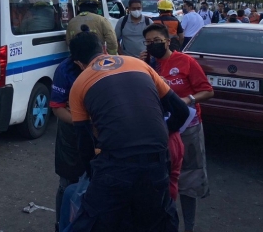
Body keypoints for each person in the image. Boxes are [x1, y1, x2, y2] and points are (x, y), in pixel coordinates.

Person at [65, 30, 190, 231]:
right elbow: (181, 111)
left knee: (91, 222)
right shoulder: (139, 65)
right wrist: (158, 135)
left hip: (116, 165)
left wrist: (93, 175)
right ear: (104, 49)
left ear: (78, 63)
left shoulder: (80, 84)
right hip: (156, 161)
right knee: (157, 221)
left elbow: (84, 141)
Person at [142, 23, 214, 232]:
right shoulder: (149, 65)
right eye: (148, 42)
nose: (152, 45)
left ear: (167, 41)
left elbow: (207, 91)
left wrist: (187, 99)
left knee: (189, 179)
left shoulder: (186, 62)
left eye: (156, 41)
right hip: (161, 130)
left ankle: (188, 226)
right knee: (162, 177)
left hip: (188, 128)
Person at [50, 42, 92, 232]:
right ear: (76, 61)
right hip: (71, 132)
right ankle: (62, 225)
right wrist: (81, 121)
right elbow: (57, 108)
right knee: (67, 184)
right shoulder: (64, 70)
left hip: (98, 131)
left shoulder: (107, 63)